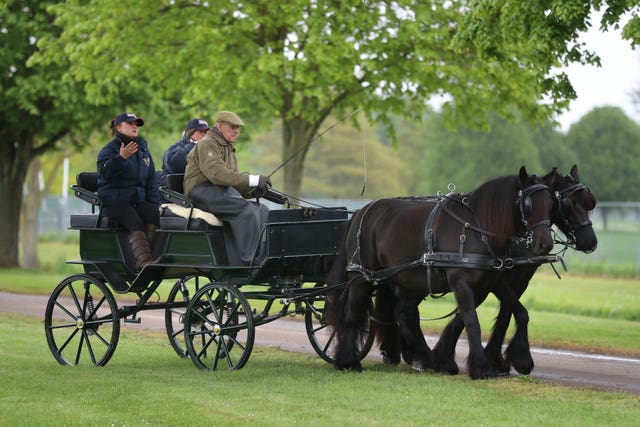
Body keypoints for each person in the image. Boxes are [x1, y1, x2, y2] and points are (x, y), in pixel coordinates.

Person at [183, 110, 272, 265]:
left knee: (262, 210)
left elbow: (231, 179)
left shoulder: (227, 147)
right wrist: (253, 179)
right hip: (201, 191)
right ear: (219, 125)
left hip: (219, 191)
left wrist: (252, 190)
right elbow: (218, 175)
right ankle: (247, 260)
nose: (236, 131)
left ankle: (262, 254)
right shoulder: (207, 143)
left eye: (238, 128)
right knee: (247, 211)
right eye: (232, 127)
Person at [97, 112, 160, 271]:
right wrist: (121, 158)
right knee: (134, 220)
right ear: (119, 127)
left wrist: (154, 204)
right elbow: (105, 173)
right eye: (130, 123)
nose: (135, 126)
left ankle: (147, 255)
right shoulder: (110, 150)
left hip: (135, 201)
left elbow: (151, 179)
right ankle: (143, 262)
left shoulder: (143, 149)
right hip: (114, 202)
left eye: (136, 124)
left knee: (155, 214)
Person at [160, 118, 209, 185]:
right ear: (190, 132)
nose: (204, 134)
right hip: (173, 190)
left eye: (206, 132)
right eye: (200, 131)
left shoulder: (207, 149)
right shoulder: (176, 148)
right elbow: (176, 162)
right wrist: (194, 146)